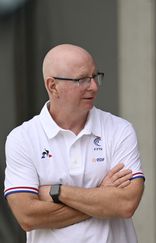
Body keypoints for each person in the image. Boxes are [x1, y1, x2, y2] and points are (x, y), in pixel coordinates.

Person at [4, 44, 145, 243]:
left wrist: (57, 192)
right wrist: (101, 197)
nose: (94, 86)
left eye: (95, 77)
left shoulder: (119, 129)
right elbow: (27, 216)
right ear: (53, 86)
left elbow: (126, 204)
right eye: (82, 80)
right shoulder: (22, 138)